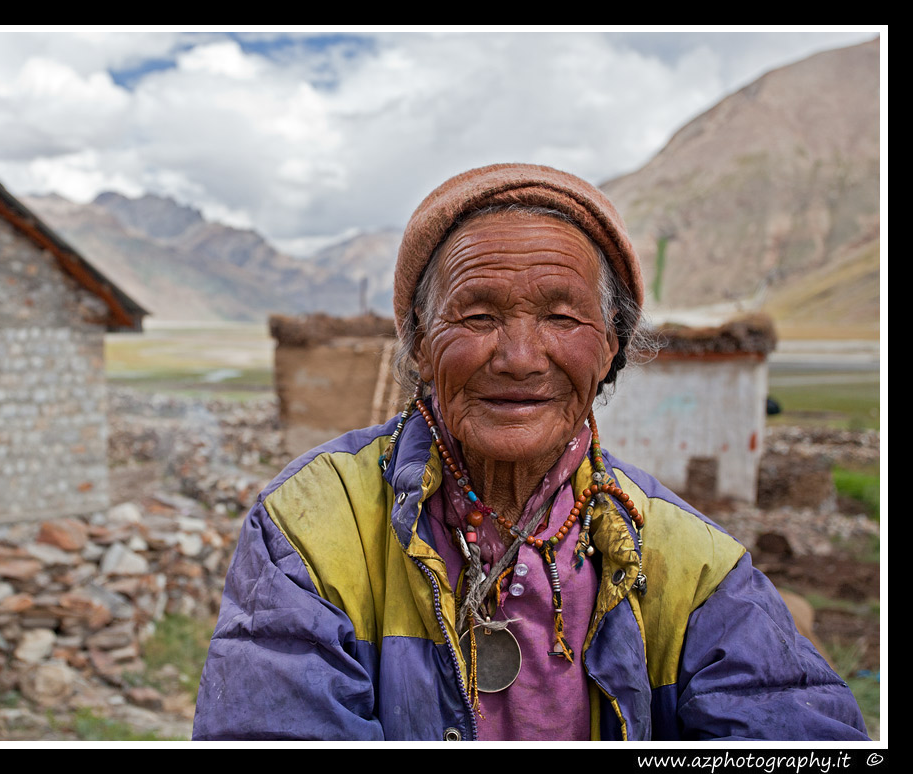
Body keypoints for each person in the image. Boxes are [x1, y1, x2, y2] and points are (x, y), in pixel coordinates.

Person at [191, 163, 869, 741]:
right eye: (478, 316)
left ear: (611, 349)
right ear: (422, 346)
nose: (519, 358)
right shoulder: (312, 528)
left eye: (561, 318)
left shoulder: (695, 565)